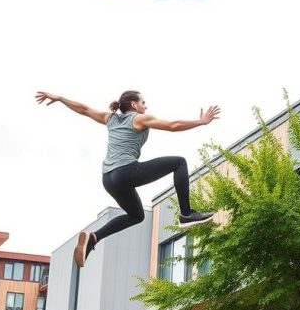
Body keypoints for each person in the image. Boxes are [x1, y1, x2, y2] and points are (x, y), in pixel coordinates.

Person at [35, 90, 220, 268]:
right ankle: (186, 213)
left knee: (137, 215)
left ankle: (93, 238)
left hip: (108, 179)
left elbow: (83, 109)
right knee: (179, 163)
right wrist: (201, 122)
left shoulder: (110, 118)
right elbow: (173, 126)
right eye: (143, 102)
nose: (145, 106)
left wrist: (60, 98)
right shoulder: (139, 119)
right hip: (125, 172)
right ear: (134, 105)